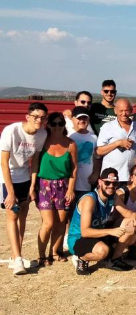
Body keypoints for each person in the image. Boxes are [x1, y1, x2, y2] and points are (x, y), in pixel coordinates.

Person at [1, 102, 48, 275]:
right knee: (12, 214)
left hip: (25, 177)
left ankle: (16, 256)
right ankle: (18, 259)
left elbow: (35, 161)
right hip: (7, 178)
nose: (39, 120)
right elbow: (4, 163)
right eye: (36, 117)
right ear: (27, 116)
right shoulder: (11, 131)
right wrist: (10, 192)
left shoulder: (41, 134)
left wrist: (32, 185)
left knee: (23, 215)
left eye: (43, 118)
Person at [67, 168, 136, 275]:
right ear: (100, 182)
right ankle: (81, 258)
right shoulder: (90, 199)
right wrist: (111, 231)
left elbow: (127, 213)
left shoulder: (112, 197)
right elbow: (85, 232)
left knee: (131, 231)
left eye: (114, 183)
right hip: (79, 238)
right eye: (107, 182)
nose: (111, 186)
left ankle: (113, 260)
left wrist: (134, 217)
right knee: (103, 251)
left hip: (98, 234)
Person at [36, 112, 77, 266]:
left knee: (61, 222)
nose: (57, 127)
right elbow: (34, 165)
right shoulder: (42, 142)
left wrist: (71, 189)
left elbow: (74, 169)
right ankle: (41, 255)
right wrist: (33, 187)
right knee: (48, 223)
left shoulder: (71, 144)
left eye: (60, 124)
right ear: (49, 125)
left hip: (64, 186)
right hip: (45, 186)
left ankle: (55, 251)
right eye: (54, 124)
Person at [96, 98, 136, 185]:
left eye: (126, 110)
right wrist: (118, 143)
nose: (124, 114)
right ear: (115, 110)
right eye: (121, 110)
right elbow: (99, 151)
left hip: (132, 177)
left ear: (131, 111)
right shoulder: (107, 127)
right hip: (111, 178)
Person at [68, 106, 98, 202]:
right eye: (79, 118)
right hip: (68, 183)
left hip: (86, 183)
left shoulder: (94, 137)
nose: (82, 120)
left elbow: (97, 157)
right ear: (72, 118)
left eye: (84, 118)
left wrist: (96, 173)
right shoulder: (67, 135)